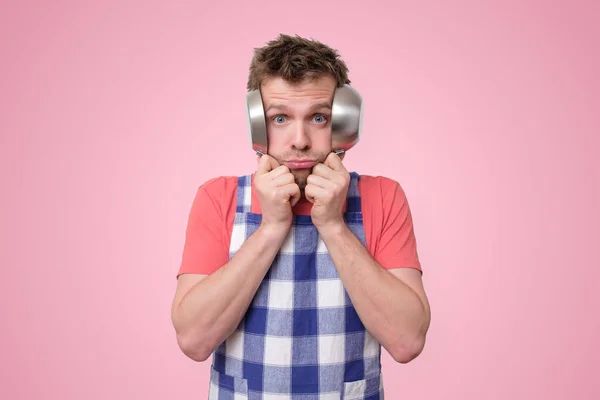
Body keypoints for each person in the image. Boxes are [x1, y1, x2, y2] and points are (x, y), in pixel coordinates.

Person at [171, 33, 431, 399]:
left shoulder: (383, 196)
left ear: (344, 123)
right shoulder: (219, 198)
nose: (300, 140)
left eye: (319, 117)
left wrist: (333, 226)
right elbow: (194, 340)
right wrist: (272, 227)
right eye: (279, 118)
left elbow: (408, 341)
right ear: (257, 125)